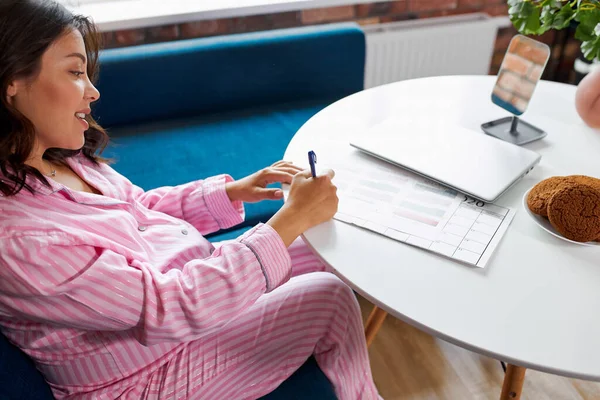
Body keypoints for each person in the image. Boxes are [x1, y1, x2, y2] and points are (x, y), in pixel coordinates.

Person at [0, 1, 381, 399]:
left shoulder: (61, 158)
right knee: (329, 298)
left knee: (326, 250)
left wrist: (230, 192)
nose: (93, 91)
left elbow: (138, 209)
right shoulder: (21, 243)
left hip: (175, 309)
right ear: (12, 83)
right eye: (76, 72)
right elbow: (169, 307)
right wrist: (288, 219)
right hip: (141, 378)